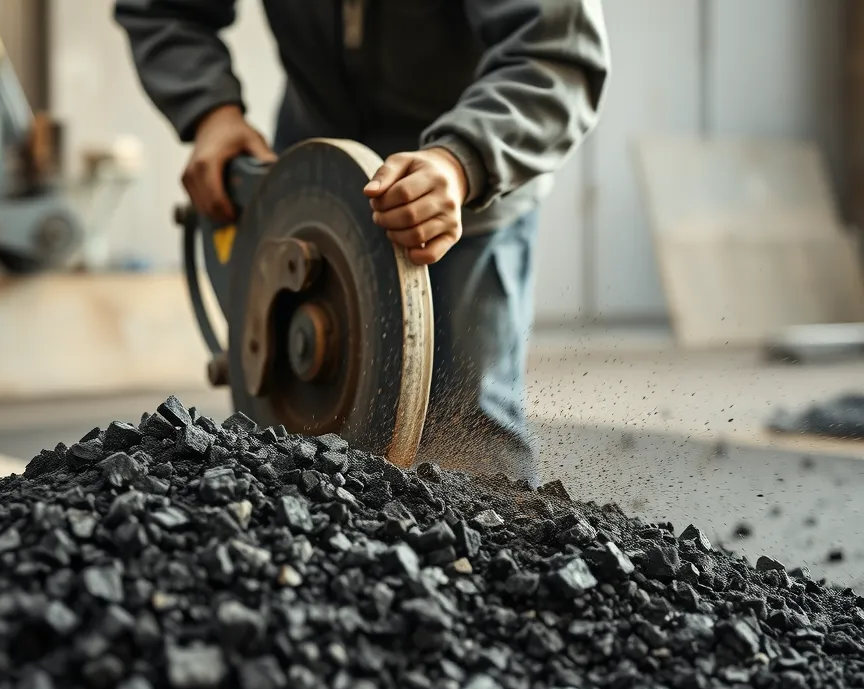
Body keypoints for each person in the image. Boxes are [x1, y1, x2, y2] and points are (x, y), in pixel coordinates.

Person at [114, 0, 610, 485]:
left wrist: (462, 159)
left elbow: (555, 52)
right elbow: (159, 6)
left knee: (470, 441)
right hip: (314, 192)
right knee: (287, 449)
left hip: (463, 199)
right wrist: (211, 111)